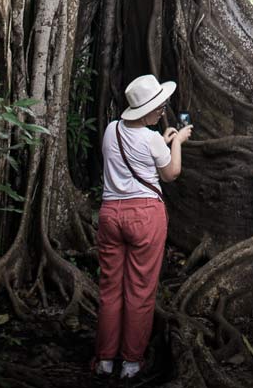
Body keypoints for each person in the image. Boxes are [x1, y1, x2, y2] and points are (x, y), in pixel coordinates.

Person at [93, 74, 193, 379]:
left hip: (110, 215)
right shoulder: (152, 140)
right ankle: (132, 363)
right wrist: (176, 142)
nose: (163, 112)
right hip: (145, 217)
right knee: (139, 290)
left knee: (110, 290)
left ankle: (106, 360)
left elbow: (133, 157)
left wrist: (160, 142)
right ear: (148, 111)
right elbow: (171, 173)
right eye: (160, 108)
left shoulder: (112, 130)